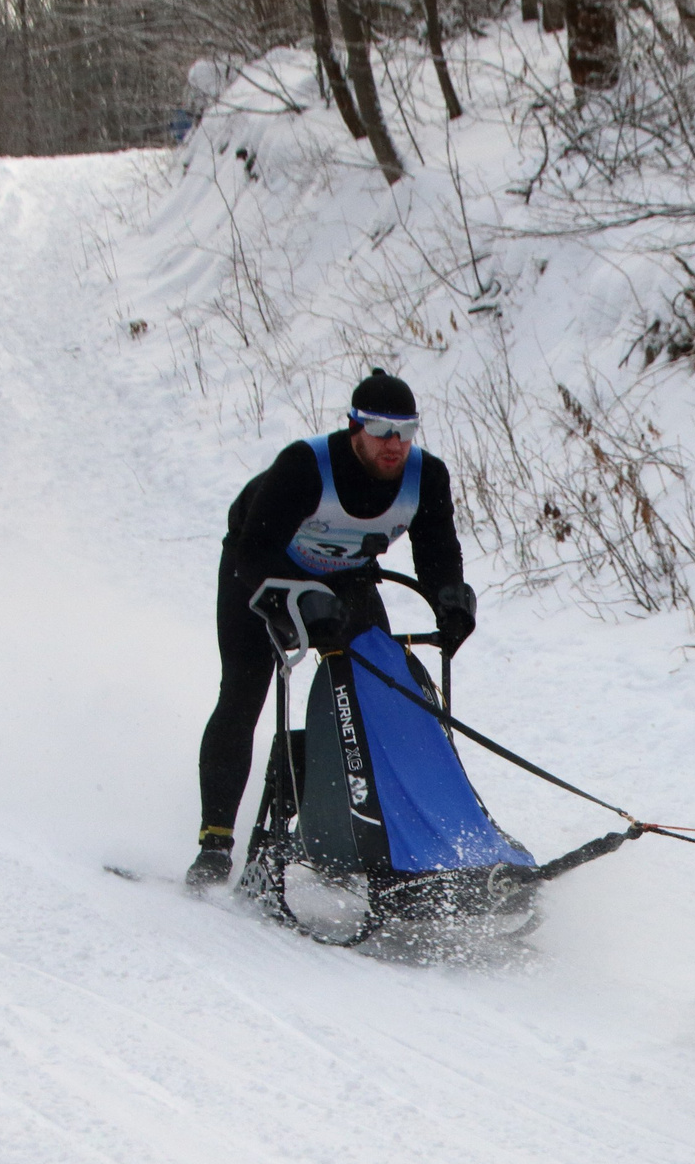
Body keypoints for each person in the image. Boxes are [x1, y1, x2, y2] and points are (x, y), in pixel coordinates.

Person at [189, 369, 479, 887]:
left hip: (346, 578)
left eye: (406, 431)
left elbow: (437, 551)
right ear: (354, 427)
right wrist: (292, 601)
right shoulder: (305, 466)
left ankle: (393, 838)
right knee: (243, 693)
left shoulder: (425, 475)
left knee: (385, 691)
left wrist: (451, 599)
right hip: (262, 572)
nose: (395, 444)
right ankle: (215, 842)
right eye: (381, 430)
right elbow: (253, 552)